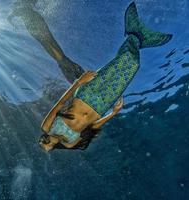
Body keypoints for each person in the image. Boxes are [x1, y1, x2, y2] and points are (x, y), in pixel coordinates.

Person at [36, 2, 172, 151]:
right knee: (133, 66)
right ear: (51, 148)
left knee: (121, 62)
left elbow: (60, 103)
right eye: (46, 145)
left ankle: (133, 33)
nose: (45, 140)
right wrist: (113, 113)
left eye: (42, 140)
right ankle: (139, 40)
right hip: (103, 105)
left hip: (85, 95)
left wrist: (78, 82)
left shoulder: (46, 126)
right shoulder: (70, 143)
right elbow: (93, 127)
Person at [8, 0, 85, 83]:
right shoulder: (21, 7)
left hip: (36, 22)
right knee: (48, 43)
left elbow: (11, 16)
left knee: (49, 43)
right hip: (33, 25)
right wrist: (12, 21)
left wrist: (12, 21)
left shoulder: (22, 6)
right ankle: (71, 69)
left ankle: (71, 69)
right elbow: (11, 16)